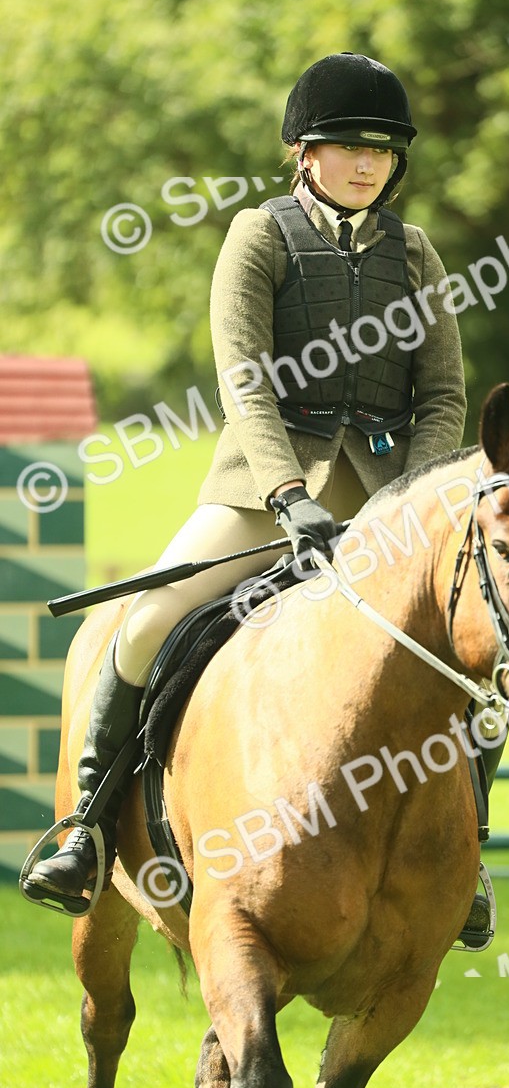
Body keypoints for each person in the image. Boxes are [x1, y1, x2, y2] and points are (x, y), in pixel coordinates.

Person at [23, 52, 471, 922]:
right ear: (304, 151)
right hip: (262, 496)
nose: (368, 163)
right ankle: (85, 828)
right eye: (348, 147)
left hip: (384, 502)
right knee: (150, 620)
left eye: (382, 149)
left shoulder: (415, 254)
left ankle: (467, 861)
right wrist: (286, 497)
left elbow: (445, 394)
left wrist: (412, 502)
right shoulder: (258, 236)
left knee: (465, 655)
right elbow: (246, 383)